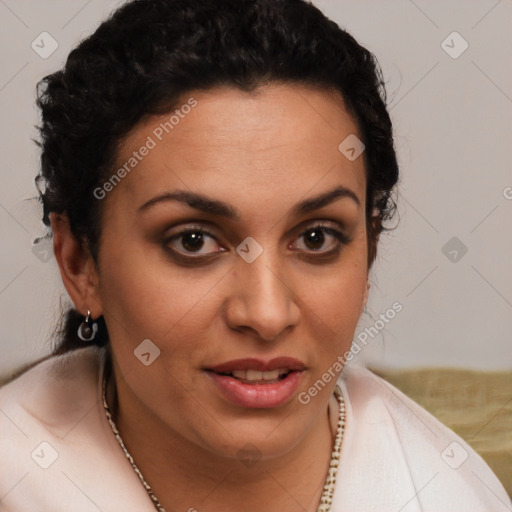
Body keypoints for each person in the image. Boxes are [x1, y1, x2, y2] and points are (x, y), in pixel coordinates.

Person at [0, 0, 509, 511]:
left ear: (370, 247)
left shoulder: (446, 495)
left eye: (317, 238)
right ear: (79, 263)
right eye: (193, 241)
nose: (267, 314)